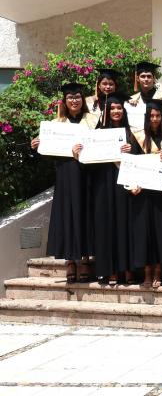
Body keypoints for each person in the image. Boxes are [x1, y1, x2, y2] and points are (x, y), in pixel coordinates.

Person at [30, 82, 95, 282]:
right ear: (64, 101)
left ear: (82, 100)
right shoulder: (56, 123)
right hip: (66, 173)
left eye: (77, 97)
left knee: (84, 214)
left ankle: (84, 260)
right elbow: (49, 151)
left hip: (87, 172)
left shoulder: (92, 120)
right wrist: (38, 146)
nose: (74, 100)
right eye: (70, 98)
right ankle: (70, 261)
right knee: (67, 215)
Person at [86, 93, 137, 285]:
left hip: (124, 183)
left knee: (125, 225)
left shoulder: (131, 134)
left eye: (119, 108)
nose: (116, 111)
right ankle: (110, 270)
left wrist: (130, 150)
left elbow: (139, 158)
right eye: (112, 109)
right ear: (106, 112)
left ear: (123, 111)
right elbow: (89, 161)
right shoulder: (96, 134)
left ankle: (127, 268)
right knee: (105, 226)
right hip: (103, 183)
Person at [128, 99, 162, 288]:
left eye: (157, 116)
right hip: (143, 190)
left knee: (160, 230)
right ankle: (147, 271)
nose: (154, 119)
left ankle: (158, 270)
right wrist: (132, 184)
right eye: (151, 116)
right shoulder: (137, 137)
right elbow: (130, 163)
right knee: (145, 230)